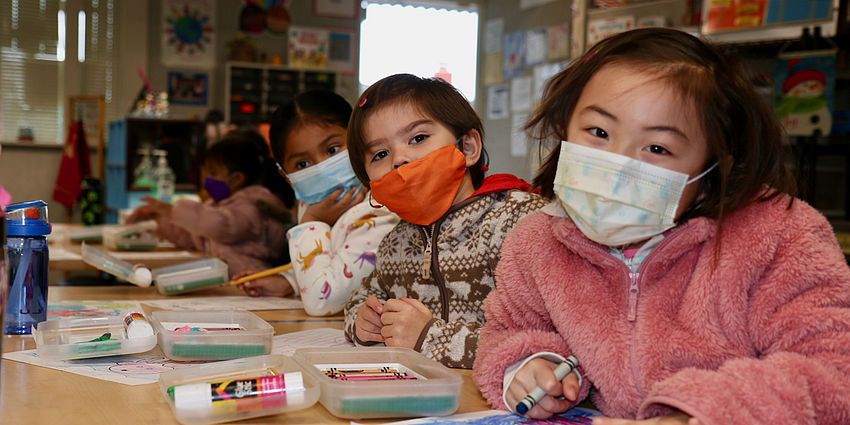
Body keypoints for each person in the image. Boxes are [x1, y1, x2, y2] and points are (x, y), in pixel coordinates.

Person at [472, 28, 850, 425]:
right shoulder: (536, 243)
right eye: (599, 132)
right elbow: (506, 333)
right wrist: (526, 367)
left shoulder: (779, 236)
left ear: (712, 168)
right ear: (564, 126)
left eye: (657, 148)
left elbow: (833, 368)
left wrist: (700, 412)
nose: (617, 165)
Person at [343, 74, 547, 369]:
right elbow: (364, 296)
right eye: (381, 154)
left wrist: (428, 337)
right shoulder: (396, 242)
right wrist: (362, 321)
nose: (399, 159)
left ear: (467, 148)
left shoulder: (518, 221)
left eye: (418, 138)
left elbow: (539, 342)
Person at [235, 90, 399, 317]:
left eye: (332, 150)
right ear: (286, 176)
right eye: (303, 163)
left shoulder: (379, 213)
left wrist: (312, 221)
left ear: (358, 140)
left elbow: (323, 300)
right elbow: (336, 261)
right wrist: (290, 282)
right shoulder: (315, 203)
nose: (322, 167)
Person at [126, 129, 290, 279]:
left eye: (213, 173)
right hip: (227, 283)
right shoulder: (218, 205)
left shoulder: (254, 204)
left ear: (237, 179)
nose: (207, 180)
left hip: (251, 282)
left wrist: (170, 210)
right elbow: (192, 237)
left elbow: (221, 226)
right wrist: (158, 219)